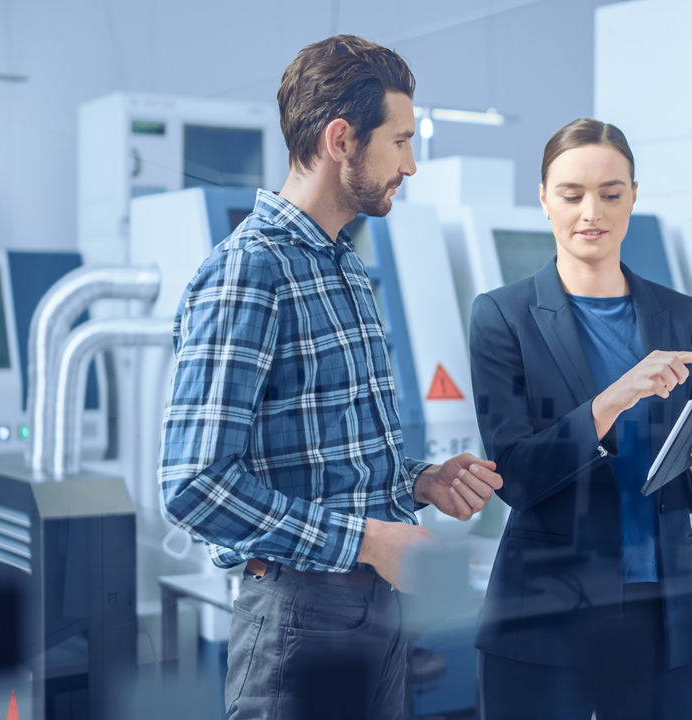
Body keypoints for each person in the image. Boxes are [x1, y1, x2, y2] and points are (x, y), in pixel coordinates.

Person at [157, 35, 503, 720]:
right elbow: (194, 484)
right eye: (399, 141)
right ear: (341, 138)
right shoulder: (251, 270)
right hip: (298, 620)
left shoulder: (342, 266)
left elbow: (323, 453)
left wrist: (419, 481)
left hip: (376, 609)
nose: (410, 164)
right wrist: (370, 540)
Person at [468, 118, 692, 720]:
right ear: (544, 199)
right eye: (571, 194)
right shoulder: (502, 317)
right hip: (545, 615)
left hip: (662, 611)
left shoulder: (678, 314)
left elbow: (686, 484)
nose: (591, 211)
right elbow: (514, 474)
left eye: (611, 193)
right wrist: (609, 401)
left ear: (634, 198)